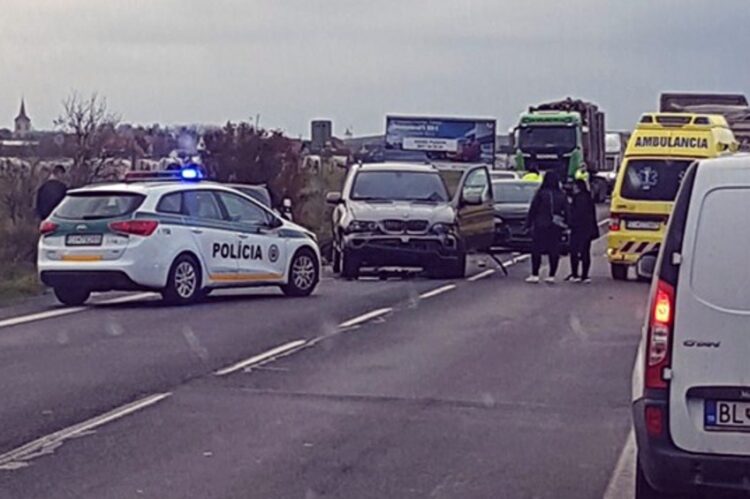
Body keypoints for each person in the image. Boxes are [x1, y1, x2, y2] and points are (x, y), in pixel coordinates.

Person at [524, 171, 569, 284]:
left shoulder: (540, 193)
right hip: (555, 226)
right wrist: (567, 224)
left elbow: (533, 210)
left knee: (536, 250)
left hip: (540, 225)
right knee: (554, 250)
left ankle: (535, 274)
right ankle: (551, 275)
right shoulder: (561, 194)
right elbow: (567, 211)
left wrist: (528, 224)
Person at [567, 179, 599, 283]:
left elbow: (576, 214)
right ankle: (585, 275)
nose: (573, 188)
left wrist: (570, 224)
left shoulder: (577, 199)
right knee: (585, 252)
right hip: (588, 229)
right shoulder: (589, 198)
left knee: (574, 252)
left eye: (574, 186)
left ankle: (575, 274)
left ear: (578, 187)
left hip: (578, 229)